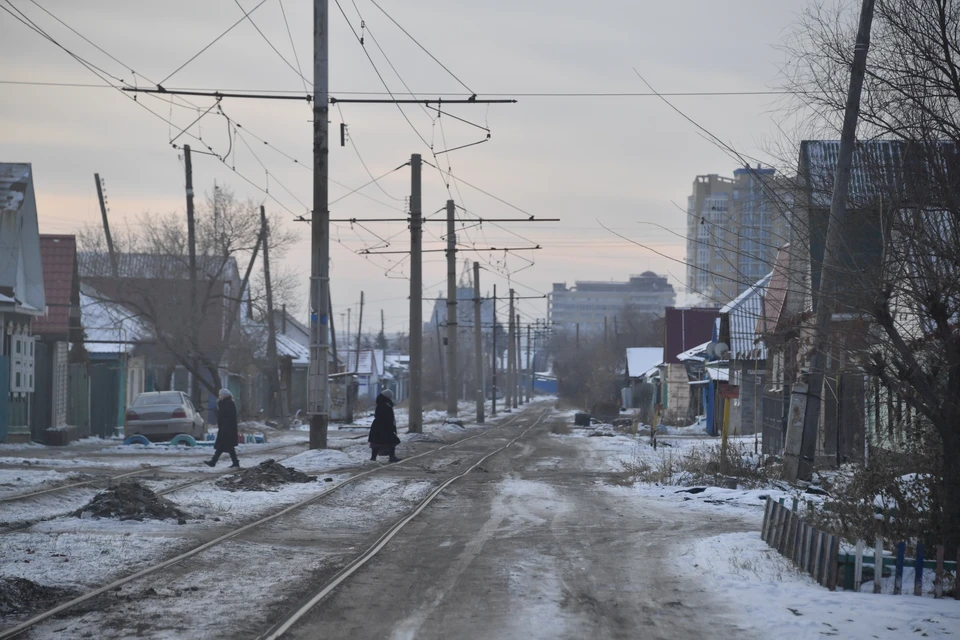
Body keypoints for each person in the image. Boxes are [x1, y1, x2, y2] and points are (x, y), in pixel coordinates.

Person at [205, 388, 240, 468]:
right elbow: (222, 415)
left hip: (228, 428)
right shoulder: (224, 403)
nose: (219, 396)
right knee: (227, 446)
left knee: (224, 446)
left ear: (225, 395)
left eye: (221, 395)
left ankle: (214, 461)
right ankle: (234, 462)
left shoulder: (229, 403)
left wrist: (225, 426)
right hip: (225, 427)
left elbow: (229, 416)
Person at [368, 389, 401, 463]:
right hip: (383, 426)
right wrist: (391, 426)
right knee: (391, 441)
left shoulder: (383, 403)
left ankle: (374, 458)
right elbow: (385, 416)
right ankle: (391, 457)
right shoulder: (384, 404)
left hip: (380, 426)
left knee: (377, 442)